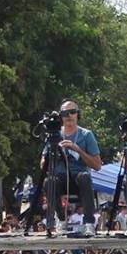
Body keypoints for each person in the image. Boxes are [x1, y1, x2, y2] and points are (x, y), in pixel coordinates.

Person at [41, 99, 102, 231]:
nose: (69, 116)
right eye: (65, 113)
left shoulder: (86, 135)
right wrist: (54, 152)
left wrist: (78, 149)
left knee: (85, 177)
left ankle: (89, 223)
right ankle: (61, 218)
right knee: (48, 181)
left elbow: (97, 165)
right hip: (60, 178)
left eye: (72, 112)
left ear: (78, 114)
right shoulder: (54, 135)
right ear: (60, 116)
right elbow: (43, 166)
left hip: (78, 177)